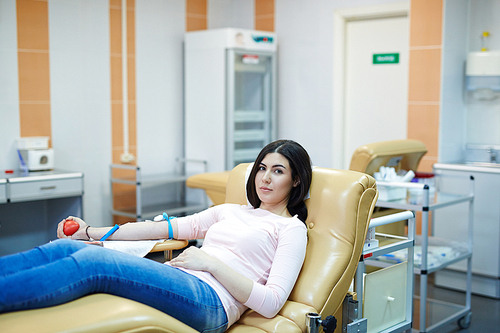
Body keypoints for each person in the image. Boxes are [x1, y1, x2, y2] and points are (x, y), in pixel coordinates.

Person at [0, 139, 313, 333]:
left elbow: (271, 303)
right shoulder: (230, 210)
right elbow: (161, 228)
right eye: (261, 168)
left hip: (211, 303)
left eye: (278, 171)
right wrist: (88, 231)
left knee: (94, 264)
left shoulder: (291, 229)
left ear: (296, 180)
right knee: (64, 249)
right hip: (182, 282)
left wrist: (211, 264)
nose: (266, 178)